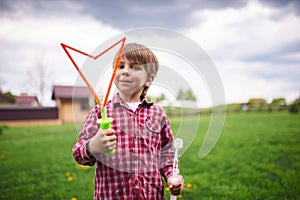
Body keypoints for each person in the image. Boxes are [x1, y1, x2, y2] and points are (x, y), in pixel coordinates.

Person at [73, 43, 184, 199]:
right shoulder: (100, 112)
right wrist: (92, 146)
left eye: (135, 67)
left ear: (149, 80)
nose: (125, 71)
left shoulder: (158, 114)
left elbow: (166, 154)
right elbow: (78, 153)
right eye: (120, 66)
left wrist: (173, 177)